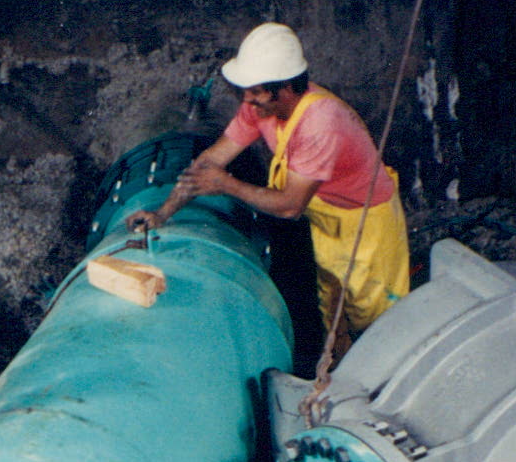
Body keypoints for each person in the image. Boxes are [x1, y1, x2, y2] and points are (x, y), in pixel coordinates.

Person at [153, 23, 410, 340]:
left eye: (257, 90)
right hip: (328, 221)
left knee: (376, 320)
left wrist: (227, 185)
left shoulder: (319, 124)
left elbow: (290, 206)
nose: (248, 99)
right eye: (246, 90)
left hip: (366, 225)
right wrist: (162, 214)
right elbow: (209, 162)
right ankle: (337, 375)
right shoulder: (259, 107)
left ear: (286, 87)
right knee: (334, 310)